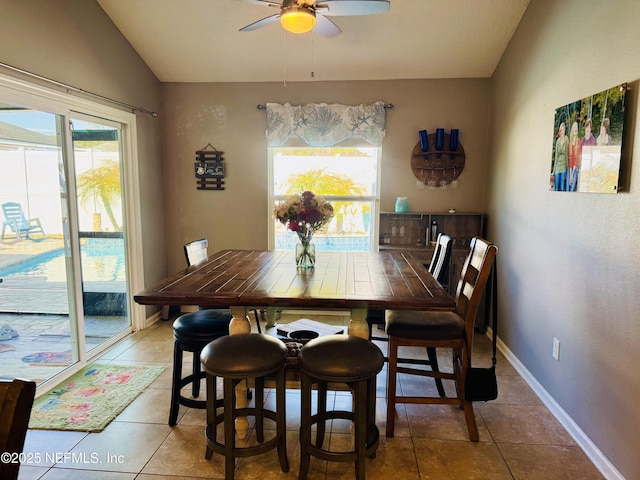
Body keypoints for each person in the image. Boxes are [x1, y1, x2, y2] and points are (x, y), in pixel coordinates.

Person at [552, 122, 568, 191]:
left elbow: (567, 154)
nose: (562, 132)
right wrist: (554, 171)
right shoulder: (558, 141)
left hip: (564, 166)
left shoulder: (567, 139)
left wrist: (567, 168)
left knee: (561, 188)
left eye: (563, 130)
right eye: (561, 130)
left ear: (565, 130)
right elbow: (556, 157)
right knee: (556, 188)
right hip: (558, 165)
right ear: (559, 131)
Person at [567, 121, 580, 191]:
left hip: (575, 168)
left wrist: (572, 175)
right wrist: (570, 173)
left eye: (577, 127)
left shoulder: (578, 142)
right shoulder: (569, 143)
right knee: (567, 189)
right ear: (572, 130)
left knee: (571, 189)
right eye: (574, 127)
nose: (576, 128)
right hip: (570, 167)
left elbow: (576, 159)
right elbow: (570, 159)